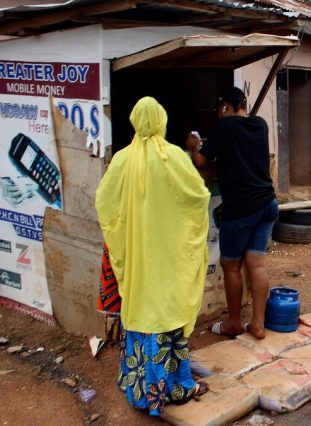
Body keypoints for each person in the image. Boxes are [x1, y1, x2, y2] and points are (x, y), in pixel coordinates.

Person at [95, 97, 211, 415]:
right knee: (167, 313)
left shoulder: (122, 160)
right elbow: (199, 197)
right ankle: (176, 386)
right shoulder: (173, 157)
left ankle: (140, 390)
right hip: (168, 260)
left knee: (142, 309)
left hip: (138, 261)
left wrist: (125, 231)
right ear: (161, 120)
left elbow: (104, 202)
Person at [187, 87, 277, 340]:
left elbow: (201, 161)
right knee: (256, 263)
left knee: (231, 265)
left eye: (219, 108)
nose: (219, 113)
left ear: (225, 106)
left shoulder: (224, 127)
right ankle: (258, 324)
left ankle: (234, 323)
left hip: (240, 210)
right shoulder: (260, 125)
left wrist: (196, 145)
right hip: (267, 204)